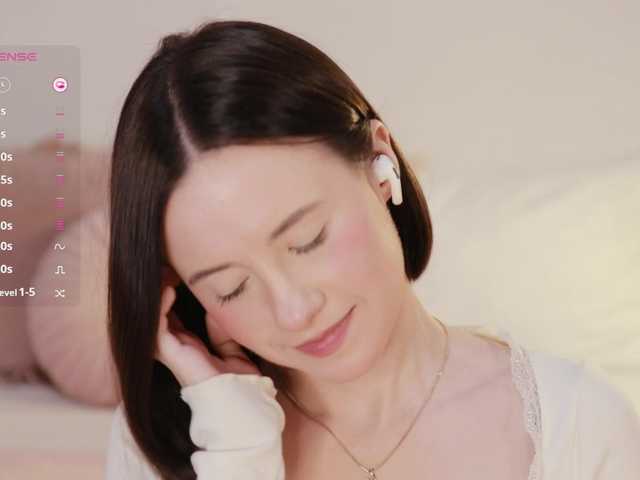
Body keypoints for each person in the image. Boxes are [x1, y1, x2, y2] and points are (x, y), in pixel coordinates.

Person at [104, 19, 640, 480]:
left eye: (307, 240)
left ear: (380, 167)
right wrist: (237, 448)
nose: (294, 311)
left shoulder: (577, 426)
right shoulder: (167, 439)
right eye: (232, 287)